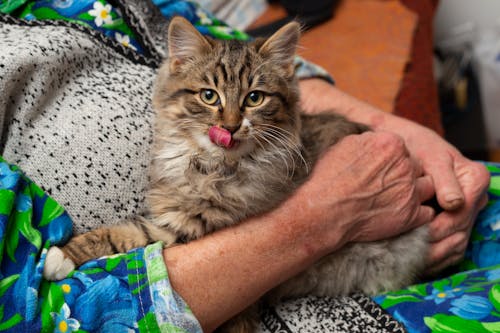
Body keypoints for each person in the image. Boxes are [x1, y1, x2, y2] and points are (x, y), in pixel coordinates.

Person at [0, 0, 490, 332]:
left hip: (364, 203)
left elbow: (236, 50)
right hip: (270, 291)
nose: (230, 121)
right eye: (213, 99)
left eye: (247, 102)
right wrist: (320, 216)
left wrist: (393, 128)